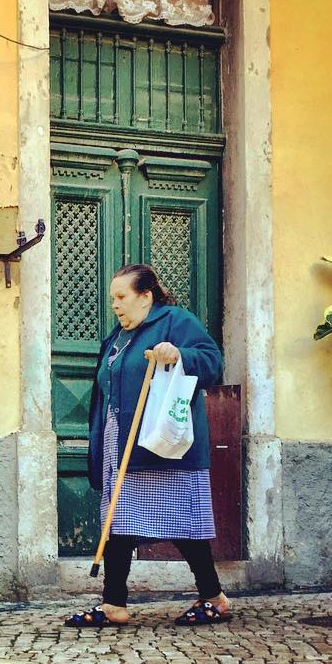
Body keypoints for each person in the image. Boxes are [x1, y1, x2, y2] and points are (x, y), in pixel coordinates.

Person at [65, 264, 231, 628]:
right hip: (121, 440)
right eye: (113, 299)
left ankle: (213, 597)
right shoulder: (117, 337)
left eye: (122, 297)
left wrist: (179, 355)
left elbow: (213, 361)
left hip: (162, 443)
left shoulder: (174, 321)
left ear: (146, 296)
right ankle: (114, 605)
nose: (116, 305)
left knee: (185, 525)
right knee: (118, 522)